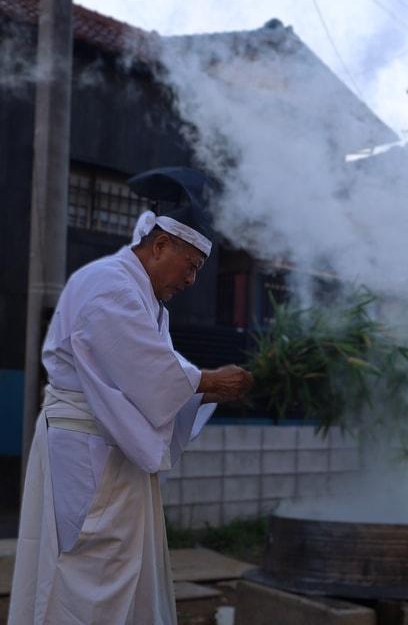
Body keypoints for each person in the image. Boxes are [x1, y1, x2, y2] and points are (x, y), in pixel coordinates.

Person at [8, 167, 254, 625]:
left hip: (108, 452)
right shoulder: (110, 285)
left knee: (116, 573)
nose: (192, 280)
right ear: (160, 246)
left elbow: (148, 375)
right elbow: (147, 369)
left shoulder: (138, 294)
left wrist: (198, 387)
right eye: (191, 266)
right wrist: (210, 382)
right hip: (87, 455)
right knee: (88, 577)